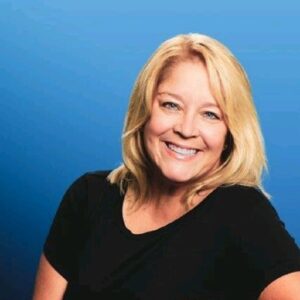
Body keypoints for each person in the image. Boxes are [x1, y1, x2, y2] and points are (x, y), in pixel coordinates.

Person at [33, 33, 300, 299]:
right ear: (145, 110)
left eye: (210, 114)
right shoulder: (88, 197)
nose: (186, 129)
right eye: (171, 105)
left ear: (230, 133)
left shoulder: (242, 214)